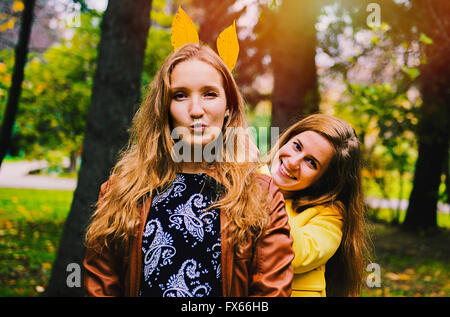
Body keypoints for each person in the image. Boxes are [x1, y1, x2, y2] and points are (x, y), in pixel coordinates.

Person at [83, 42, 294, 297]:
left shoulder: (262, 194)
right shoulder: (121, 189)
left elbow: (271, 292)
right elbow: (102, 286)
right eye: (180, 95)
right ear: (164, 107)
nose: (195, 110)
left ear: (228, 107)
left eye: (210, 94)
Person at [261, 113, 370, 297]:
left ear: (324, 181)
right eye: (297, 146)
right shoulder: (247, 183)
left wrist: (263, 183)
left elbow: (294, 253)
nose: (293, 162)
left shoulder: (331, 216)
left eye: (311, 162)